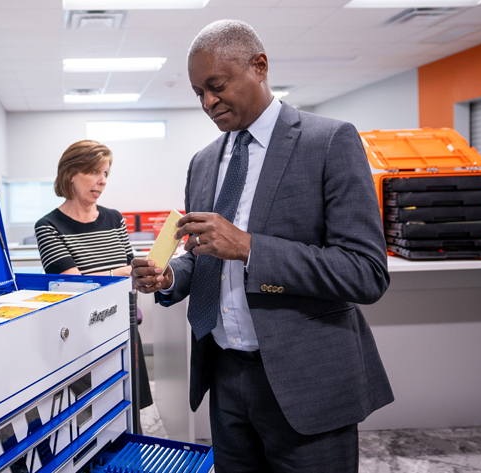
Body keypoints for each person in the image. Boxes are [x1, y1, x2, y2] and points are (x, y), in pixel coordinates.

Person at [131, 20, 393, 472]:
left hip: (307, 379)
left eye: (216, 86)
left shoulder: (328, 141)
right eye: (198, 92)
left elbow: (365, 271)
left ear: (259, 66)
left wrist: (251, 247)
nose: (208, 102)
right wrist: (172, 275)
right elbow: (204, 255)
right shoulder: (204, 162)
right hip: (226, 377)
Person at [35, 140, 153, 411]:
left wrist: (136, 273)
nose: (102, 181)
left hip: (123, 325)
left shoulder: (114, 219)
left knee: (130, 408)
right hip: (81, 334)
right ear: (71, 174)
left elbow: (132, 274)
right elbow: (72, 284)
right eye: (94, 172)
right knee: (91, 413)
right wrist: (121, 272)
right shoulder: (49, 226)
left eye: (106, 174)